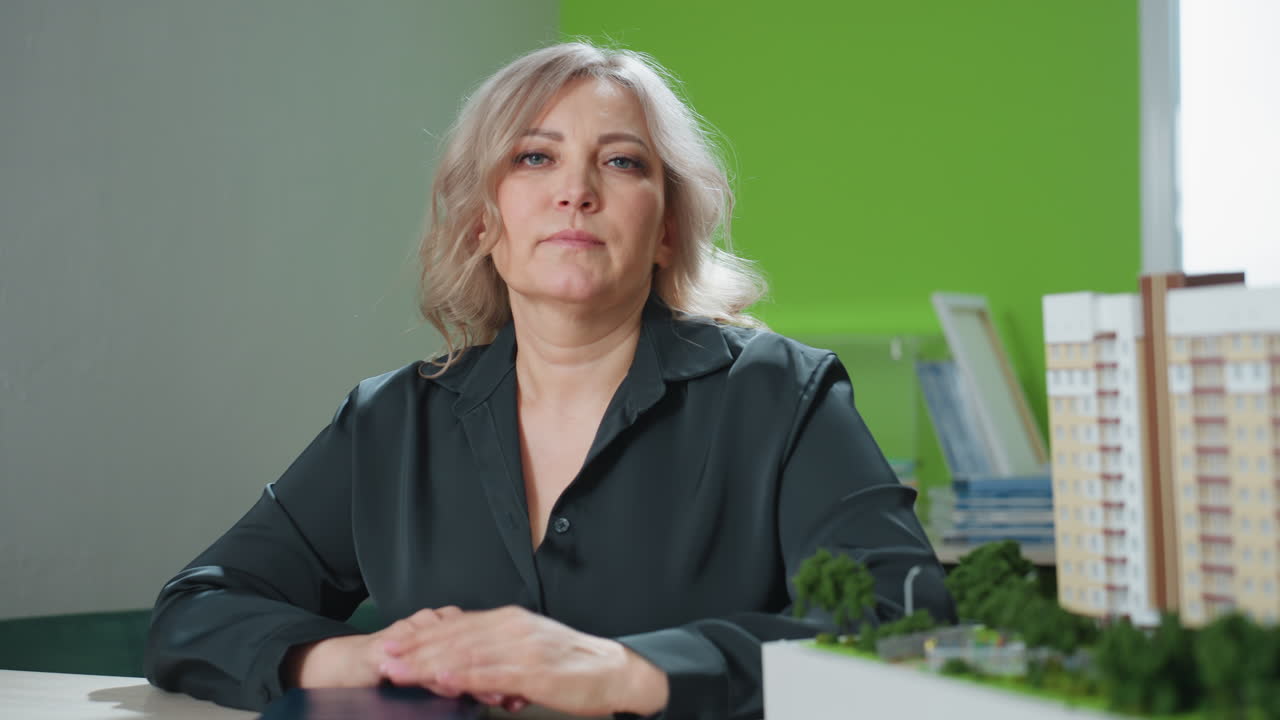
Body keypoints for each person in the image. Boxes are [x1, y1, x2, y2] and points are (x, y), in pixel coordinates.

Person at [144, 41, 955, 719]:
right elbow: (196, 611)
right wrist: (363, 656)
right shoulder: (391, 419)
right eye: (535, 157)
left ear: (667, 229)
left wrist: (622, 672)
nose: (576, 190)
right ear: (481, 222)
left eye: (622, 161)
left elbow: (906, 631)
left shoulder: (785, 394)